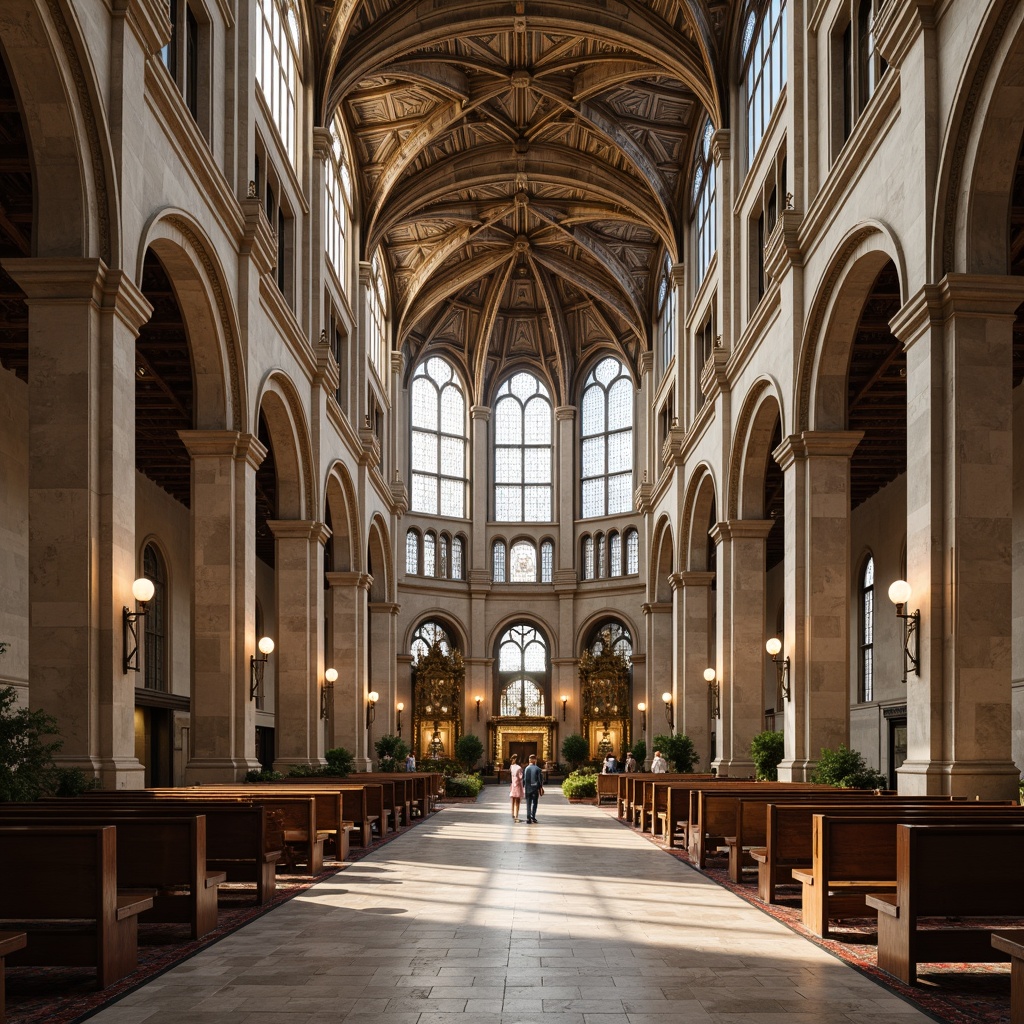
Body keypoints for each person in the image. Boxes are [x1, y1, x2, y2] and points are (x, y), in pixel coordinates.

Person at [523, 753, 544, 823]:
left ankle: (528, 818)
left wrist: (523, 788)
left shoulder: (526, 769)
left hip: (527, 789)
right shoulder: (538, 769)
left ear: (529, 760)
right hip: (535, 789)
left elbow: (524, 779)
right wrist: (541, 788)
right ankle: (533, 817)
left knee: (528, 803)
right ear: (535, 760)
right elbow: (540, 780)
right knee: (535, 803)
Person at [508, 753, 524, 822]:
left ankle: (512, 813)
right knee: (517, 801)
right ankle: (516, 815)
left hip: (513, 785)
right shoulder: (519, 768)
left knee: (513, 800)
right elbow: (521, 777)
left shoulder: (511, 767)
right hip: (517, 786)